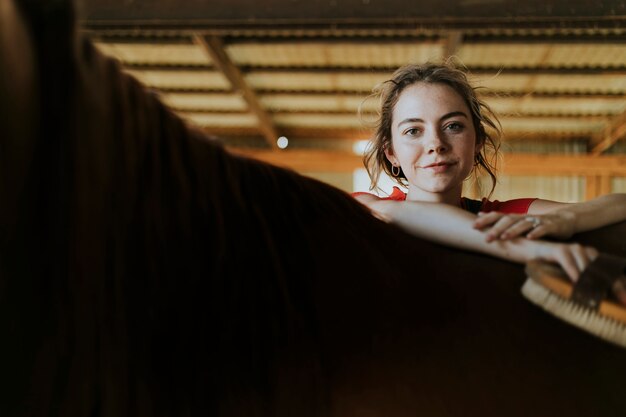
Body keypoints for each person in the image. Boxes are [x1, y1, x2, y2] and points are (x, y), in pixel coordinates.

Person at [354, 62, 626, 301]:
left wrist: (566, 219)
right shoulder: (363, 210)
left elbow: (619, 204)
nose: (436, 144)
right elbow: (398, 214)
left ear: (478, 143)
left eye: (453, 126)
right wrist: (532, 249)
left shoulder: (498, 218)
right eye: (413, 131)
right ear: (392, 153)